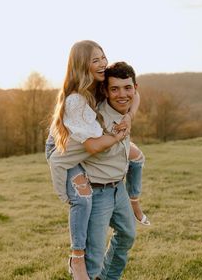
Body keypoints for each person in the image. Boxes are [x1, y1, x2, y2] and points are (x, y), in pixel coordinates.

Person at [46, 41, 148, 279]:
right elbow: (91, 146)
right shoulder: (84, 105)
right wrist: (117, 135)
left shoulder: (115, 94)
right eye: (95, 60)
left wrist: (130, 117)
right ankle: (77, 257)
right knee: (92, 259)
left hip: (117, 187)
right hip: (96, 186)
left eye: (103, 58)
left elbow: (135, 95)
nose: (122, 94)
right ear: (105, 91)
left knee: (127, 235)